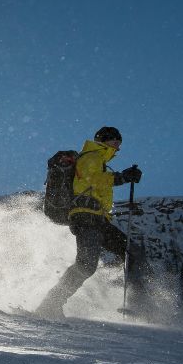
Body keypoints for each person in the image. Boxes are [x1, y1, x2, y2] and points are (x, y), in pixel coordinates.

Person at [36, 127, 143, 319]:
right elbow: (90, 179)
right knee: (86, 265)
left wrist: (120, 178)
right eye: (116, 143)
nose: (118, 148)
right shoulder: (91, 156)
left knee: (131, 252)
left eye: (119, 145)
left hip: (97, 219)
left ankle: (137, 304)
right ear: (105, 140)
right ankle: (50, 304)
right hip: (86, 218)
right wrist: (122, 177)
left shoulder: (99, 160)